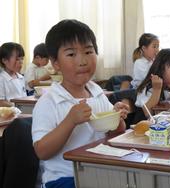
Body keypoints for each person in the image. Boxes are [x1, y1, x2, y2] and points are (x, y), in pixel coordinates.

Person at [31, 19, 129, 188]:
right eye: (71, 54)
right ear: (55, 63)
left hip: (99, 171)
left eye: (88, 52)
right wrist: (70, 121)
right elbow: (41, 151)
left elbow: (116, 132)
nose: (82, 61)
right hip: (64, 179)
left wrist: (117, 118)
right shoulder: (49, 101)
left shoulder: (97, 92)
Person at [134, 48, 170, 123]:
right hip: (145, 129)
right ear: (160, 69)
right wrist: (157, 89)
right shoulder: (148, 87)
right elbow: (148, 113)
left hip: (164, 127)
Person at [0, 42, 27, 107]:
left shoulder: (21, 77)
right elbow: (1, 102)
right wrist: (17, 106)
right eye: (17, 59)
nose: (21, 62)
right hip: (10, 114)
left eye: (22, 58)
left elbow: (24, 97)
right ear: (4, 60)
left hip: (22, 110)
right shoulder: (2, 79)